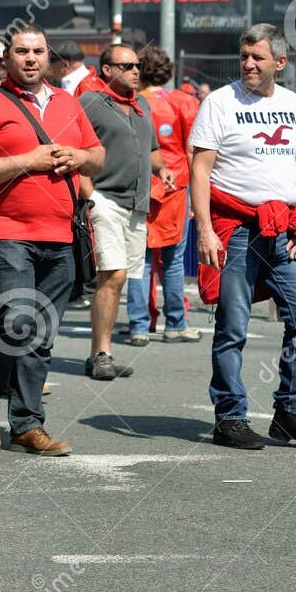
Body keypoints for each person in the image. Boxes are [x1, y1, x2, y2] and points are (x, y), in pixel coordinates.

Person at [0, 23, 104, 456]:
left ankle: (27, 424)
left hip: (61, 234)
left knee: (41, 333)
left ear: (48, 57)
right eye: (21, 51)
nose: (30, 58)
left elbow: (97, 157)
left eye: (38, 51)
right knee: (17, 320)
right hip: (10, 233)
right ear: (7, 58)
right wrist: (29, 160)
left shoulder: (67, 103)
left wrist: (78, 157)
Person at [190, 25, 296, 451]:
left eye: (257, 57)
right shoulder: (219, 102)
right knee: (233, 327)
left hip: (284, 230)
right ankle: (230, 417)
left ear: (280, 63)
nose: (249, 64)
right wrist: (204, 229)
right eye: (244, 56)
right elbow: (199, 170)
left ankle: (291, 412)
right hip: (235, 231)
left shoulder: (292, 104)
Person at [78, 44, 175, 379]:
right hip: (104, 198)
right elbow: (73, 149)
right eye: (128, 65)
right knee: (113, 274)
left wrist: (162, 170)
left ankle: (102, 351)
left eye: (138, 65)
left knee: (118, 281)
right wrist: (88, 195)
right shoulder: (89, 102)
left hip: (136, 205)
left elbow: (150, 148)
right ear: (107, 70)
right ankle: (100, 354)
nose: (137, 70)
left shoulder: (141, 103)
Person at [127, 44, 201, 345]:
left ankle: (139, 327)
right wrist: (198, 198)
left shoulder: (132, 102)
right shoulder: (185, 102)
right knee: (173, 259)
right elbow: (192, 152)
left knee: (139, 259)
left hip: (139, 186)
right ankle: (175, 323)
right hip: (175, 187)